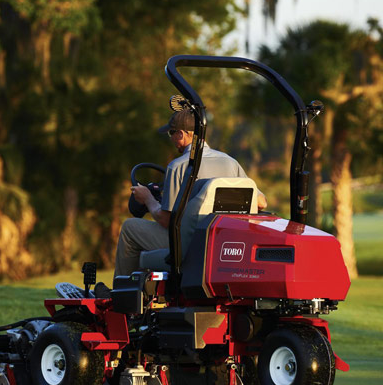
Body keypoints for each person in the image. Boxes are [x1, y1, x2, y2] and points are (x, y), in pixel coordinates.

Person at [112, 109, 267, 279]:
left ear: (181, 134)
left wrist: (148, 198)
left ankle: (122, 288)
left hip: (188, 243)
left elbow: (166, 221)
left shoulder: (177, 166)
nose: (171, 138)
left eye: (171, 133)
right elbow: (261, 203)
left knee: (129, 228)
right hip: (222, 239)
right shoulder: (231, 162)